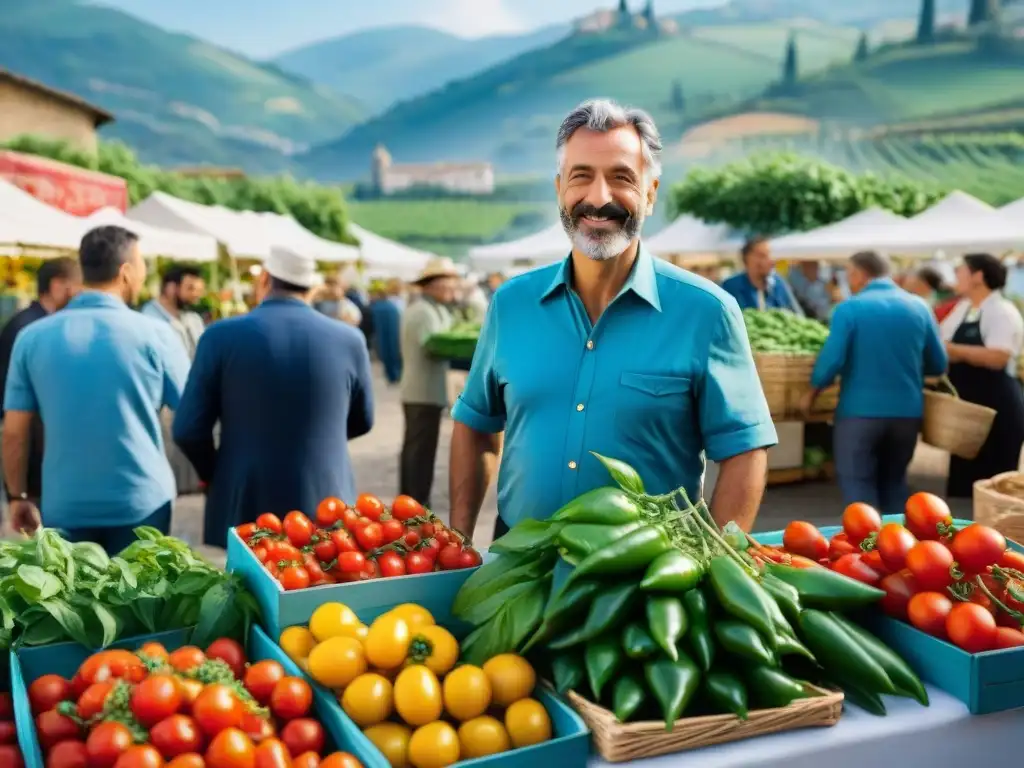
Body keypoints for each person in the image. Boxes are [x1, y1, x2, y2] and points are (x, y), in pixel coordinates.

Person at [449, 99, 777, 541]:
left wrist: (712, 564)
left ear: (651, 191)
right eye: (581, 176)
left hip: (646, 580)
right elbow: (475, 426)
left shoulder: (707, 312)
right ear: (559, 187)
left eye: (621, 177)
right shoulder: (511, 304)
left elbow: (744, 451)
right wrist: (459, 541)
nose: (599, 198)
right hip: (517, 568)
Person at [2, 226, 189, 551]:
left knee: (74, 601)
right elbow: (191, 414)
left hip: (65, 505)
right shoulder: (157, 335)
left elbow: (14, 433)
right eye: (142, 264)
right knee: (140, 600)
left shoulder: (32, 337)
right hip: (143, 503)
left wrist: (17, 496)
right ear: (126, 272)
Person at [173, 247, 374, 548]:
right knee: (324, 591)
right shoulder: (349, 339)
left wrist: (217, 473)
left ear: (265, 279)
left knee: (244, 592)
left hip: (244, 500)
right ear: (313, 287)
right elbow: (363, 420)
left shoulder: (219, 337)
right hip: (326, 500)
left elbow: (187, 429)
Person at [800, 252, 947, 515]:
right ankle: (899, 548)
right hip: (907, 414)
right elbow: (938, 364)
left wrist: (812, 392)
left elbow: (831, 361)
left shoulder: (849, 308)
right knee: (894, 484)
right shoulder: (919, 307)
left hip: (859, 414)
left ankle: (866, 552)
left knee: (859, 489)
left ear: (858, 274)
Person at [0, 257, 82, 512]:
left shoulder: (28, 322)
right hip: (34, 454)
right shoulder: (32, 328)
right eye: (78, 287)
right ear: (59, 286)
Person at [940, 254, 1024, 498]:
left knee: (991, 491)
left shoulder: (1001, 311)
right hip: (969, 414)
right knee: (962, 487)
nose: (956, 275)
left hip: (999, 411)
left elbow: (998, 357)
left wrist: (955, 351)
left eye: (961, 270)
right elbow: (941, 341)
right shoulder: (964, 307)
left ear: (978, 276)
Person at [399, 258, 461, 508]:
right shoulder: (423, 311)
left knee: (421, 450)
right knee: (418, 453)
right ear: (433, 285)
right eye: (448, 285)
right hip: (421, 391)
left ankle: (414, 502)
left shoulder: (432, 308)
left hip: (426, 390)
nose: (452, 290)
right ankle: (414, 503)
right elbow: (433, 345)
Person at [721, 237, 803, 314]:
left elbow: (798, 315)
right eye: (762, 256)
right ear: (746, 258)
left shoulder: (778, 283)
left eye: (769, 255)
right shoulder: (731, 286)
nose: (769, 261)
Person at [141, 265, 207, 359]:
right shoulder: (148, 320)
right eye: (190, 289)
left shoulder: (193, 319)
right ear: (171, 288)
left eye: (199, 290)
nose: (196, 295)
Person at [370, 282, 403, 385]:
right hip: (394, 334)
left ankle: (391, 375)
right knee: (394, 351)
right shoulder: (392, 307)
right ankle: (397, 374)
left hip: (381, 335)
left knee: (385, 352)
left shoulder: (375, 307)